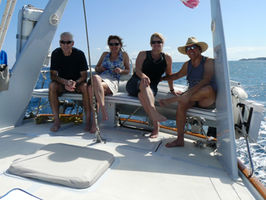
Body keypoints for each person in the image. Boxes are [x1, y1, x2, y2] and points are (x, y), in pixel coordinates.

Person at [159, 37, 217, 147]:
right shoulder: (187, 64)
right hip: (191, 98)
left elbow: (206, 80)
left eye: (193, 47)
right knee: (182, 104)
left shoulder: (208, 62)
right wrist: (161, 79)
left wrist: (187, 94)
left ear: (200, 49)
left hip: (206, 100)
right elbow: (176, 75)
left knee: (208, 89)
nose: (190, 50)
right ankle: (180, 139)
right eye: (188, 49)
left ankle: (177, 98)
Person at [126, 33, 175, 138]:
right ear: (150, 44)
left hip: (150, 87)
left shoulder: (167, 58)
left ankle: (156, 126)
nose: (156, 44)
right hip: (135, 83)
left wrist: (172, 90)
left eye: (159, 42)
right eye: (154, 42)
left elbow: (169, 75)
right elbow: (138, 70)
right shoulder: (143, 54)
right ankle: (155, 121)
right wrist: (143, 76)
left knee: (142, 95)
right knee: (143, 84)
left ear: (163, 44)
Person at [49, 32, 90, 132]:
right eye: (63, 42)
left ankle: (88, 121)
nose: (65, 45)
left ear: (72, 43)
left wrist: (74, 83)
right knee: (52, 86)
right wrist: (65, 82)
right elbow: (53, 75)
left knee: (85, 87)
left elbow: (84, 76)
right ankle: (57, 121)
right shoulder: (55, 54)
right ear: (60, 43)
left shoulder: (80, 54)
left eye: (68, 42)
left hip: (77, 83)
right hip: (63, 84)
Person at [88, 35, 130, 133]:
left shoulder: (124, 55)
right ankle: (100, 113)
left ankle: (95, 121)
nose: (114, 46)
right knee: (93, 82)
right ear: (108, 45)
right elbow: (97, 68)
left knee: (91, 88)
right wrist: (100, 69)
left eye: (116, 44)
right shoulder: (104, 54)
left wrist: (120, 70)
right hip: (102, 78)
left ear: (120, 45)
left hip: (113, 80)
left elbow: (127, 70)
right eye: (111, 44)